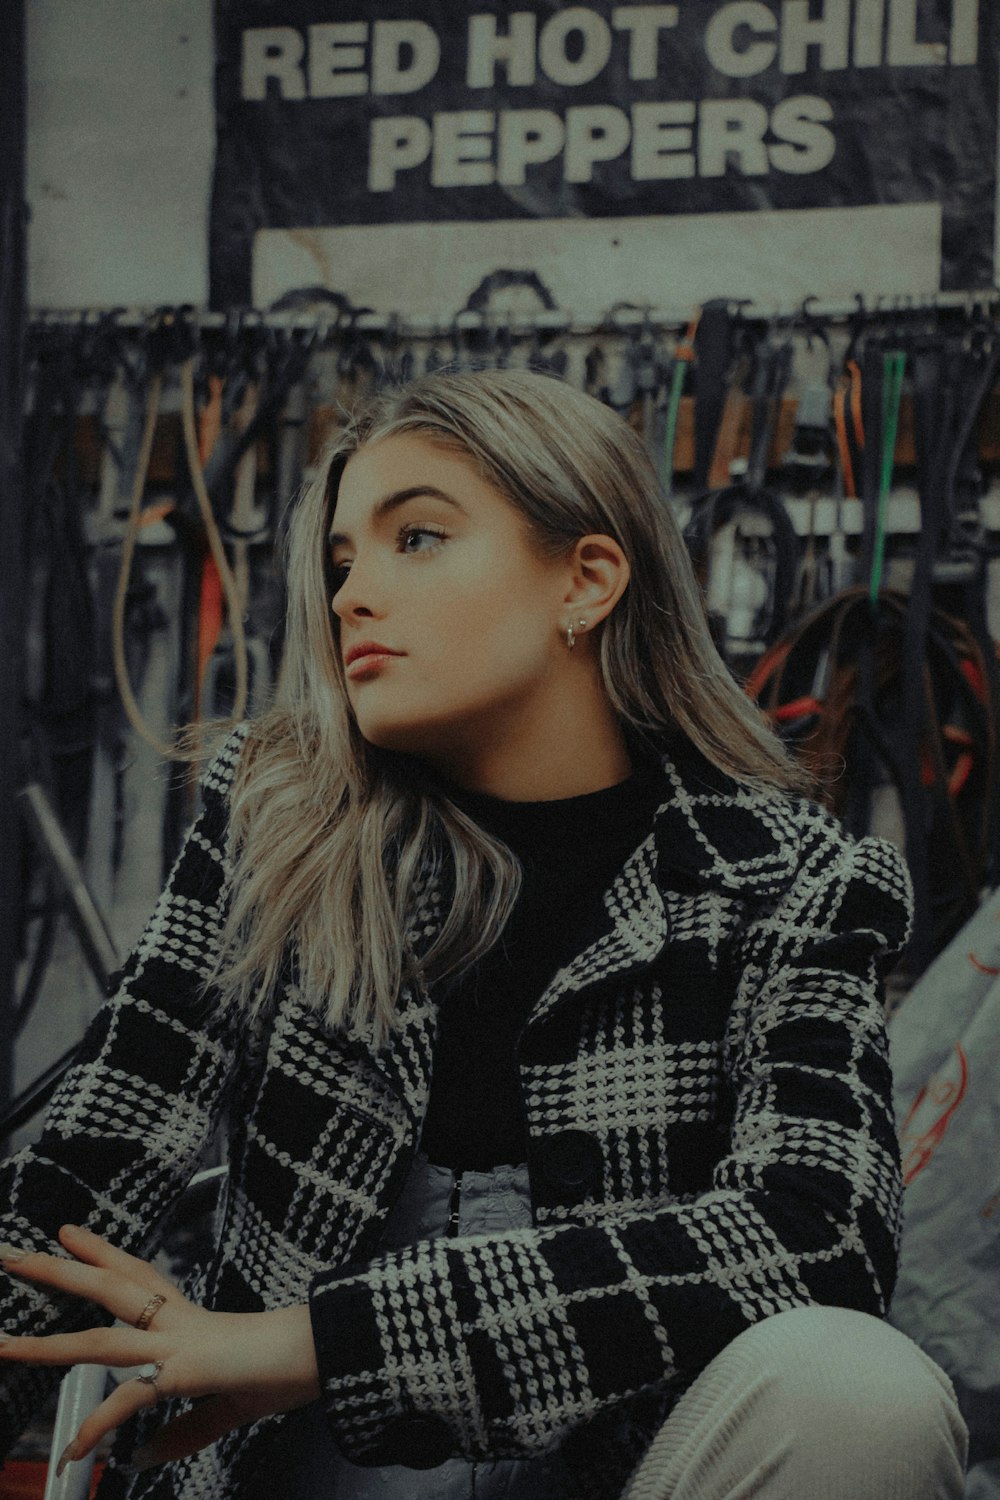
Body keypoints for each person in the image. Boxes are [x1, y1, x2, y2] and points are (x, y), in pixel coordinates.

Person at [0, 367, 968, 1500]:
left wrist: (314, 1344)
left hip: (623, 1475)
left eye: (416, 537)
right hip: (297, 1481)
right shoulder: (277, 820)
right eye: (342, 559)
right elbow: (96, 1162)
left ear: (587, 580)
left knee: (858, 1389)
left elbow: (817, 1239)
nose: (350, 594)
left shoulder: (790, 880)